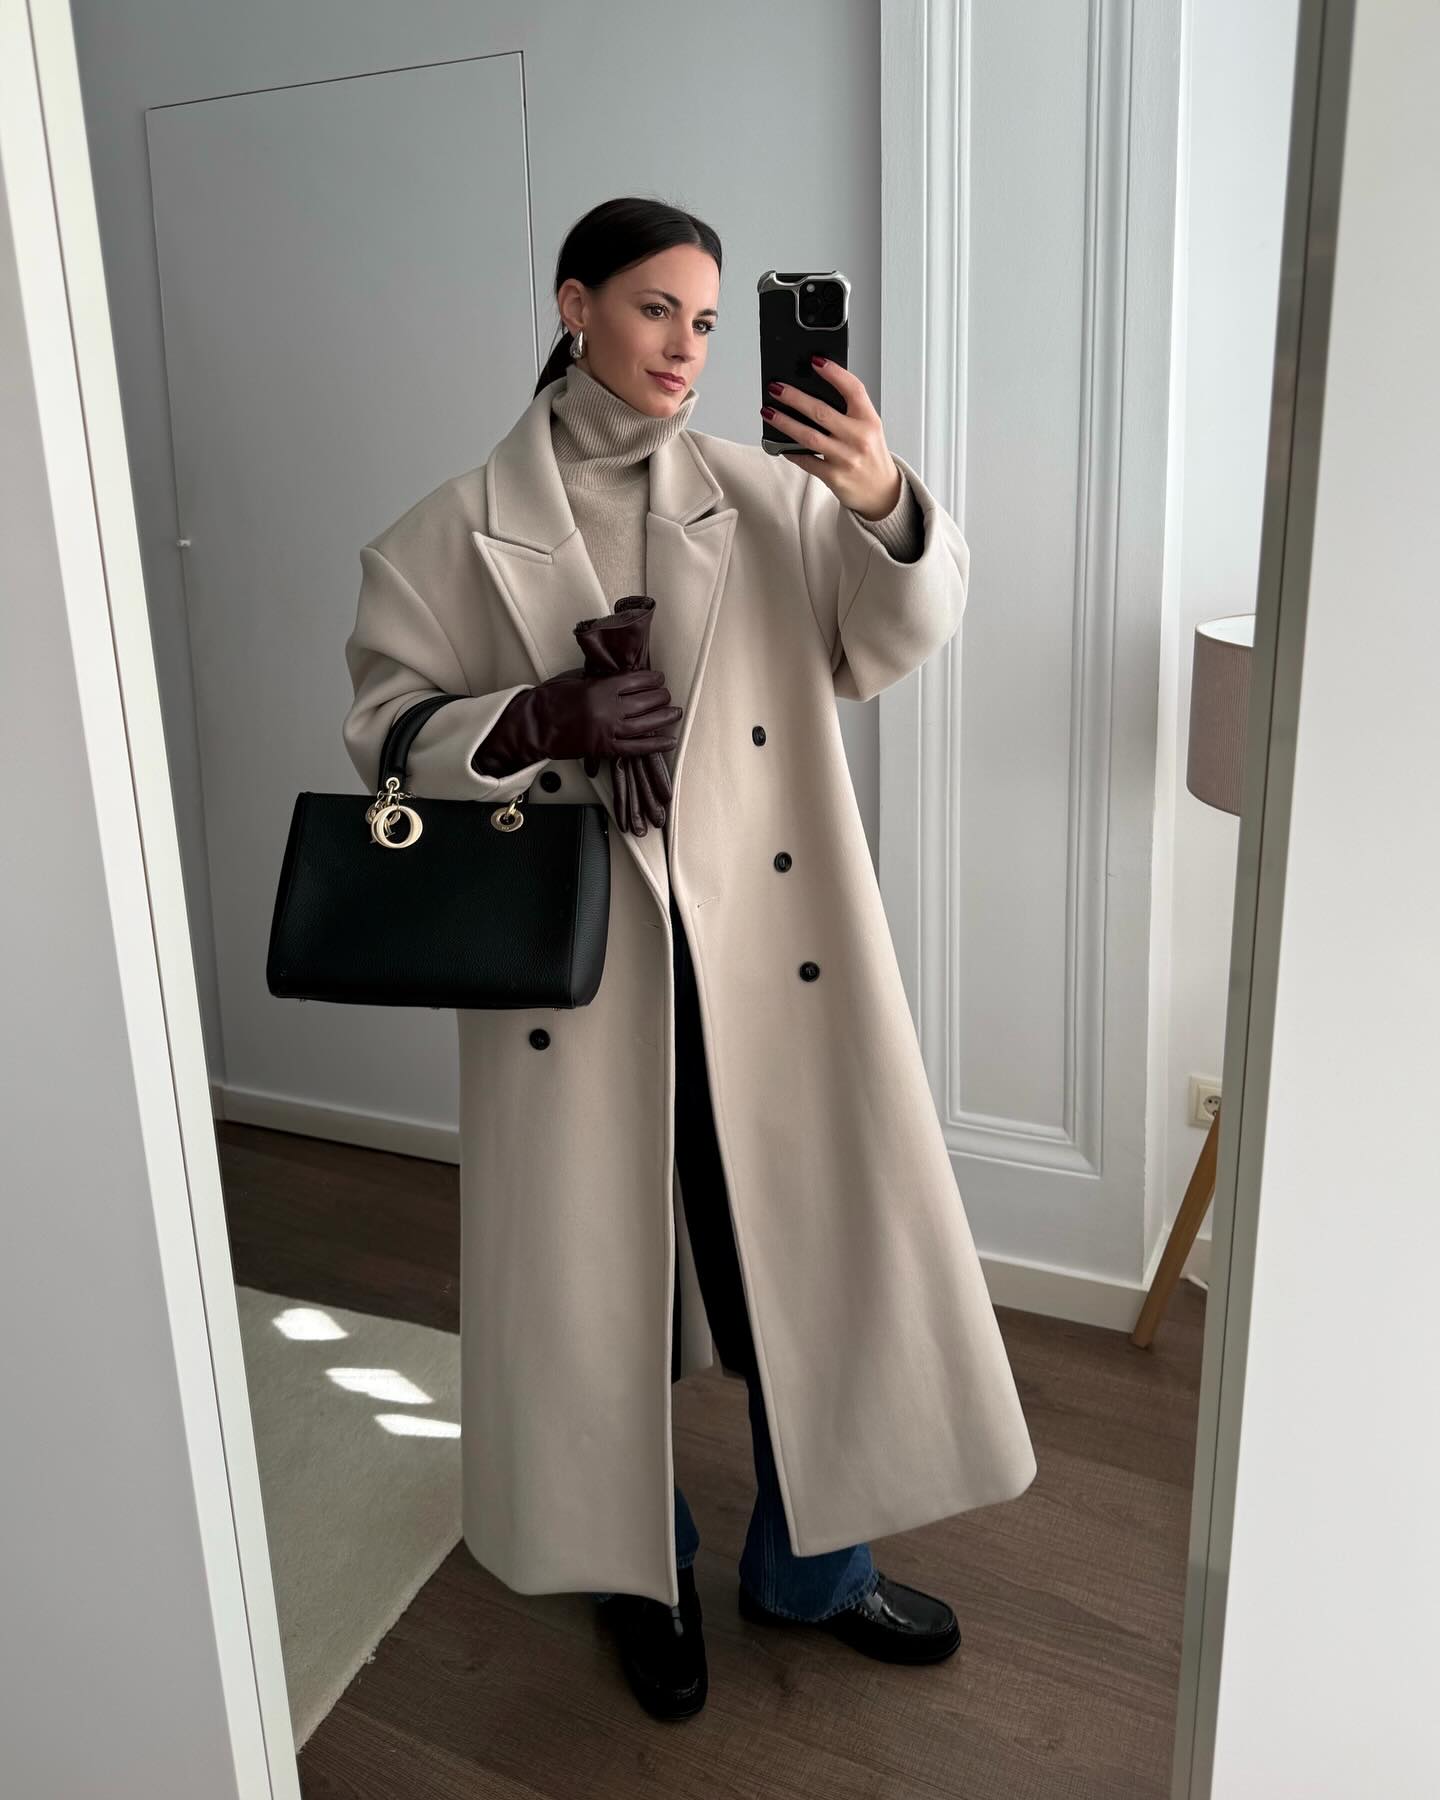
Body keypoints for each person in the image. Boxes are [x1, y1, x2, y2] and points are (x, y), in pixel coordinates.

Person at [341, 196, 1037, 1724]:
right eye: (657, 307)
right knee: (601, 1294)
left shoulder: (768, 495)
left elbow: (890, 639)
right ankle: (636, 1571)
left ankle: (815, 1571)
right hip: (581, 985)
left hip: (772, 975)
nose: (687, 347)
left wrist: (883, 497)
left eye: (709, 321)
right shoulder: (445, 531)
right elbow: (382, 733)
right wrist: (535, 721)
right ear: (575, 304)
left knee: (811, 1264)